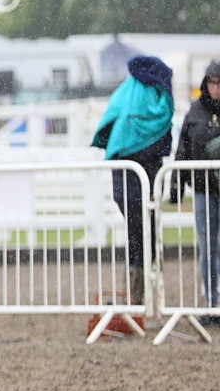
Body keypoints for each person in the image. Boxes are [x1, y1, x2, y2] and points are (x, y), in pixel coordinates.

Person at [91, 55, 175, 304]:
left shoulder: (127, 94)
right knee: (143, 233)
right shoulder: (157, 97)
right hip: (143, 171)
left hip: (131, 171)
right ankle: (143, 294)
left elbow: (109, 122)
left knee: (138, 233)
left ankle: (139, 295)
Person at [171, 59, 220, 313]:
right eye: (212, 83)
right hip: (203, 189)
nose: (215, 88)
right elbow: (182, 150)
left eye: (219, 83)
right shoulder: (195, 112)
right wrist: (176, 184)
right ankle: (212, 303)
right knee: (208, 247)